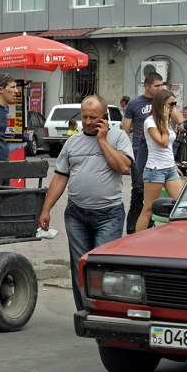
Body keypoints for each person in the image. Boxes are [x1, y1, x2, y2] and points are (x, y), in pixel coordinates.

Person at [37, 95, 133, 310]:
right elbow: (60, 177)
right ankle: (84, 313)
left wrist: (102, 140)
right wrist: (46, 209)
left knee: (103, 266)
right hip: (76, 215)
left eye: (93, 117)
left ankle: (104, 313)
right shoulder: (72, 142)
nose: (88, 122)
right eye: (84, 117)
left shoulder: (118, 137)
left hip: (108, 215)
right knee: (80, 265)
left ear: (104, 117)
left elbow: (123, 167)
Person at [122, 72, 182, 233]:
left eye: (174, 104)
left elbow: (169, 145)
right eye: (171, 104)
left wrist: (174, 164)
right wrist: (164, 120)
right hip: (154, 169)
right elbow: (163, 142)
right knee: (148, 208)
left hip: (169, 168)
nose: (173, 107)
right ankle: (137, 237)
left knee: (182, 204)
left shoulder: (166, 120)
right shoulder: (150, 121)